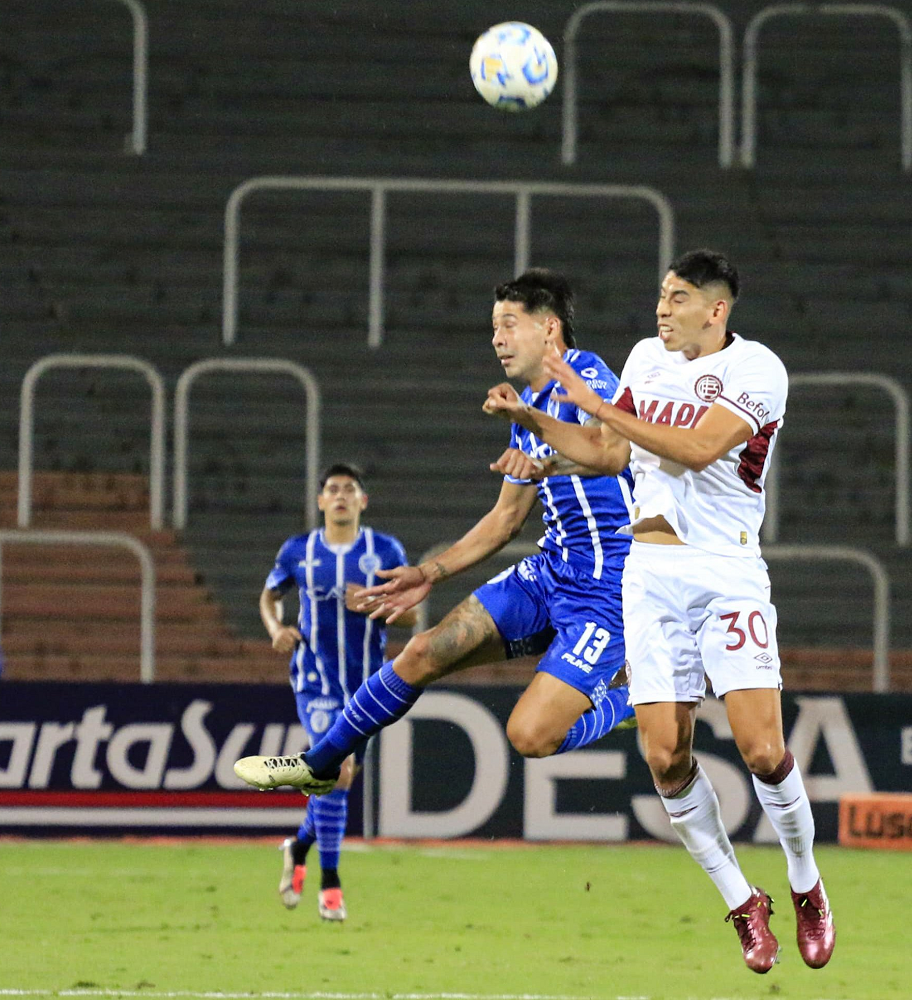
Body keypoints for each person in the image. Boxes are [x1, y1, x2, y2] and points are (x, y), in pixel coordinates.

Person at [484, 250, 834, 973]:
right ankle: (743, 902)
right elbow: (610, 455)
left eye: (677, 298)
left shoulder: (758, 369)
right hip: (650, 576)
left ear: (716, 309)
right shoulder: (645, 359)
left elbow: (699, 449)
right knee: (666, 757)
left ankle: (806, 883)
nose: (661, 309)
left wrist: (594, 403)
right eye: (660, 296)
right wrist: (537, 424)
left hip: (727, 571)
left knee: (762, 750)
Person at [233, 268, 636, 799]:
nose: (497, 339)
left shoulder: (591, 376)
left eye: (508, 324)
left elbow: (609, 451)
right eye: (494, 328)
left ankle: (633, 697)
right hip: (549, 573)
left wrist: (531, 424)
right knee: (424, 650)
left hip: (609, 588)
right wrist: (427, 573)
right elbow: (505, 519)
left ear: (549, 328)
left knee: (530, 736)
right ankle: (320, 763)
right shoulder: (527, 409)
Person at [261, 462, 414, 921]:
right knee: (338, 772)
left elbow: (410, 614)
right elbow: (270, 596)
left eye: (350, 489)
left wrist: (374, 600)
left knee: (339, 779)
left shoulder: (384, 550)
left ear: (363, 501)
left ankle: (298, 848)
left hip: (367, 685)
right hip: (315, 680)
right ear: (321, 501)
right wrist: (276, 629)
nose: (341, 495)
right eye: (333, 489)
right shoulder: (299, 551)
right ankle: (331, 885)